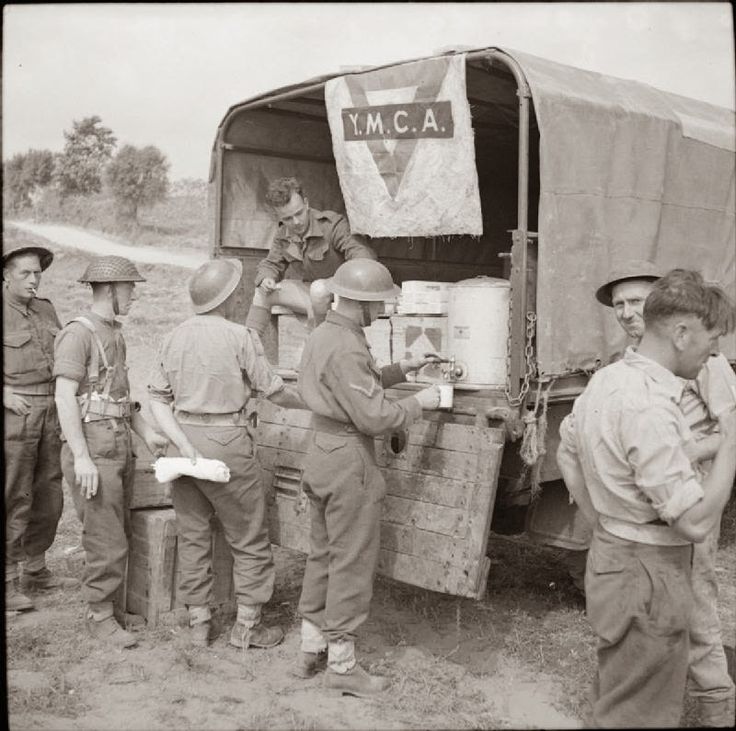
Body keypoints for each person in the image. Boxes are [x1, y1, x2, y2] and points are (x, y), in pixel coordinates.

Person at [556, 269, 736, 728]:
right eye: (710, 340)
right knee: (643, 710)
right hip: (651, 569)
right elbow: (694, 523)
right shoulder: (652, 406)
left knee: (621, 691)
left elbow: (568, 452)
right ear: (681, 333)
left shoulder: (608, 380)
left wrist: (605, 520)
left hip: (616, 554)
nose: (714, 352)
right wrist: (731, 441)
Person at [294, 258, 441, 697]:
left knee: (322, 554)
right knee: (352, 560)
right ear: (363, 303)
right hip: (347, 460)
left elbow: (353, 383)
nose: (385, 310)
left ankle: (309, 648)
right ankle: (341, 666)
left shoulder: (326, 333)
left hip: (320, 451)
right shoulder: (348, 345)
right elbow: (374, 416)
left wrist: (404, 368)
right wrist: (422, 402)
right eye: (381, 302)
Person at [147, 258, 305, 649]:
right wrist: (313, 402)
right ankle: (248, 627)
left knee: (194, 534)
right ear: (229, 297)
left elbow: (157, 399)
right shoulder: (240, 337)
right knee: (249, 536)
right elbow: (274, 391)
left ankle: (199, 623)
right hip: (227, 444)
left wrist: (182, 443)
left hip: (182, 445)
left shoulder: (172, 336)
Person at [54, 256, 168, 648]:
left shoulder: (113, 333)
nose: (134, 294)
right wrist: (81, 456)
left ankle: (113, 611)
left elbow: (116, 398)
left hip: (118, 444)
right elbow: (64, 397)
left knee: (119, 531)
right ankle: (99, 616)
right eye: (129, 288)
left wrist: (147, 433)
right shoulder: (78, 334)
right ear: (110, 289)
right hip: (94, 451)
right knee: (104, 538)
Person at [4, 243, 78, 612]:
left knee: (49, 493)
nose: (34, 279)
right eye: (25, 274)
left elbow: (64, 353)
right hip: (15, 413)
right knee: (14, 495)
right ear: (6, 275)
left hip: (51, 409)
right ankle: (6, 580)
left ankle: (35, 569)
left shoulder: (46, 308)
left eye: (37, 273)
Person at [244, 177, 377, 336]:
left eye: (299, 213)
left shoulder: (332, 225)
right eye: (287, 218)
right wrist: (266, 278)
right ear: (279, 217)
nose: (296, 222)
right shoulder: (283, 234)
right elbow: (271, 264)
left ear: (306, 203)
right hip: (311, 294)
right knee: (262, 292)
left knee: (319, 289)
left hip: (342, 296)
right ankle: (250, 347)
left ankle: (321, 341)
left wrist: (341, 285)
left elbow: (362, 257)